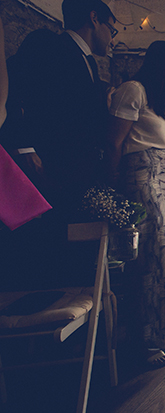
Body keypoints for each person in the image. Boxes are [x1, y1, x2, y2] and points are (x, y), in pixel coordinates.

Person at [0, 0, 116, 290]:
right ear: (94, 19)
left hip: (81, 176)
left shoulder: (90, 63)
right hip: (53, 173)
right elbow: (12, 85)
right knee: (55, 264)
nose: (113, 39)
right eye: (112, 29)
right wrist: (24, 148)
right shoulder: (47, 45)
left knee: (81, 265)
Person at [106, 41, 165, 368]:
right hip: (145, 178)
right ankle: (145, 339)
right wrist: (113, 186)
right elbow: (114, 142)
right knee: (153, 259)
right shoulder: (133, 90)